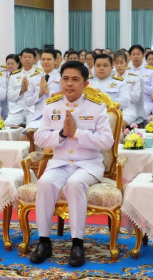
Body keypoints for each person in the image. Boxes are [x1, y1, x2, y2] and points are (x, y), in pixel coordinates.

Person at [30, 61, 114, 267]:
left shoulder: (96, 106)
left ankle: (77, 243)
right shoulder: (52, 105)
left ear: (85, 84)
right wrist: (61, 134)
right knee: (44, 183)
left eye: (75, 79)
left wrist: (77, 133)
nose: (69, 84)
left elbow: (107, 141)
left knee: (75, 184)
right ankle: (44, 241)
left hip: (88, 164)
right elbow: (40, 137)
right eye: (65, 79)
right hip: (59, 163)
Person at [89, 54, 137, 128]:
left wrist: (103, 103)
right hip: (89, 115)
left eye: (105, 66)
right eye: (98, 66)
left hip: (110, 115)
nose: (101, 68)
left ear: (111, 68)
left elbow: (125, 102)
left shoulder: (120, 83)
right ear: (94, 67)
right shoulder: (86, 83)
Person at [25, 48, 61, 129]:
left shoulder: (61, 77)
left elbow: (65, 97)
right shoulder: (34, 78)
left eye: (49, 59)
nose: (45, 62)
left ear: (55, 60)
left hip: (56, 115)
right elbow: (27, 102)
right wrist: (40, 93)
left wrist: (48, 92)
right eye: (43, 59)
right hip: (38, 116)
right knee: (27, 134)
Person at [5, 48, 38, 126]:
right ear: (21, 59)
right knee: (7, 124)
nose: (27, 59)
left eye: (29, 57)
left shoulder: (39, 74)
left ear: (34, 59)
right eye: (24, 57)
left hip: (33, 108)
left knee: (32, 128)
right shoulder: (14, 75)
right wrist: (21, 91)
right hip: (18, 108)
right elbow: (10, 97)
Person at [126, 45, 153, 118]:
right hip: (130, 102)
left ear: (143, 55)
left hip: (146, 102)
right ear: (130, 56)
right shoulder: (126, 71)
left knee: (139, 114)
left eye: (138, 54)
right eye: (133, 54)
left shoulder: (151, 71)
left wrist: (140, 86)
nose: (136, 57)